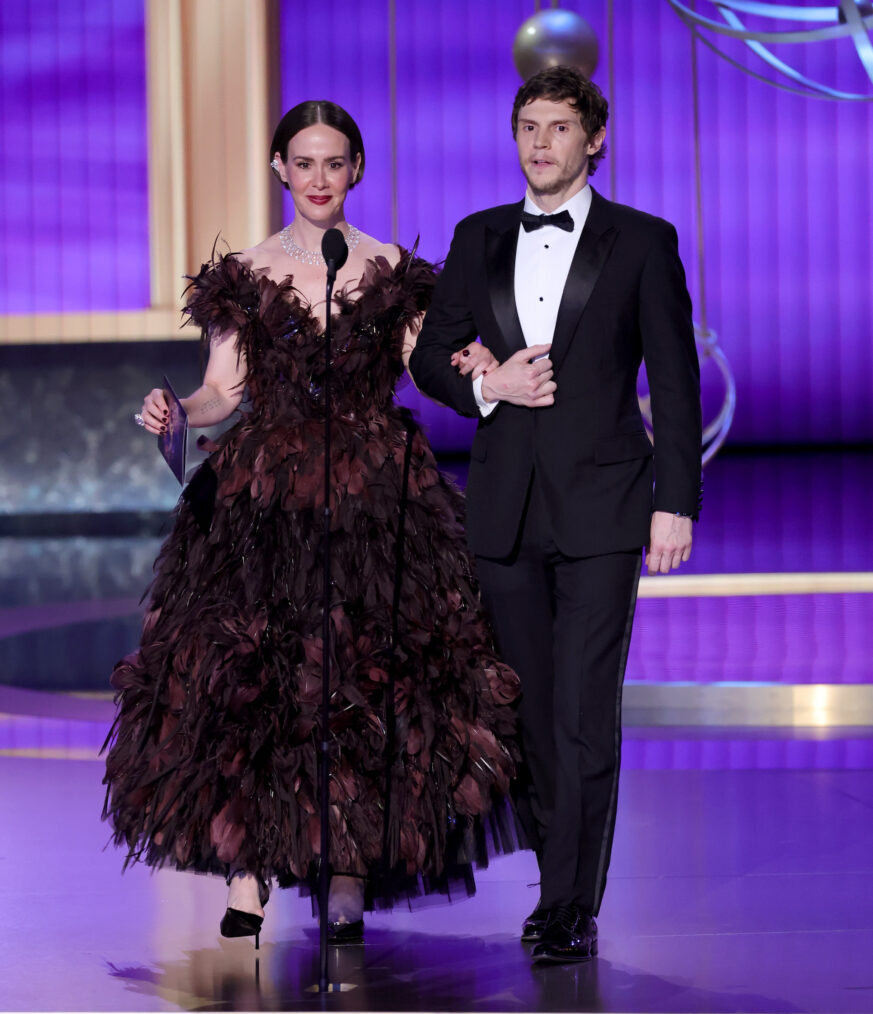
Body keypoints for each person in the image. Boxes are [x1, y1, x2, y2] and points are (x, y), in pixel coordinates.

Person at [102, 100, 519, 949]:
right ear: (279, 171)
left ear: (356, 169)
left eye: (334, 163)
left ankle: (349, 871)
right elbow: (223, 389)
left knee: (366, 677)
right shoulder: (247, 274)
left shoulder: (393, 268)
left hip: (377, 495)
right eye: (304, 163)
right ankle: (251, 870)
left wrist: (475, 366)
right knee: (255, 675)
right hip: (265, 493)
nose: (319, 179)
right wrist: (175, 409)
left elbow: (424, 363)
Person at [409, 66, 702, 964]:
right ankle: (555, 875)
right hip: (502, 512)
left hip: (606, 509)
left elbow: (677, 382)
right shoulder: (478, 236)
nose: (541, 143)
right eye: (528, 127)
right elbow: (426, 364)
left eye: (559, 127)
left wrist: (674, 504)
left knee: (582, 713)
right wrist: (486, 385)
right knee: (529, 719)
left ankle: (568, 901)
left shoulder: (642, 241)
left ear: (594, 139)